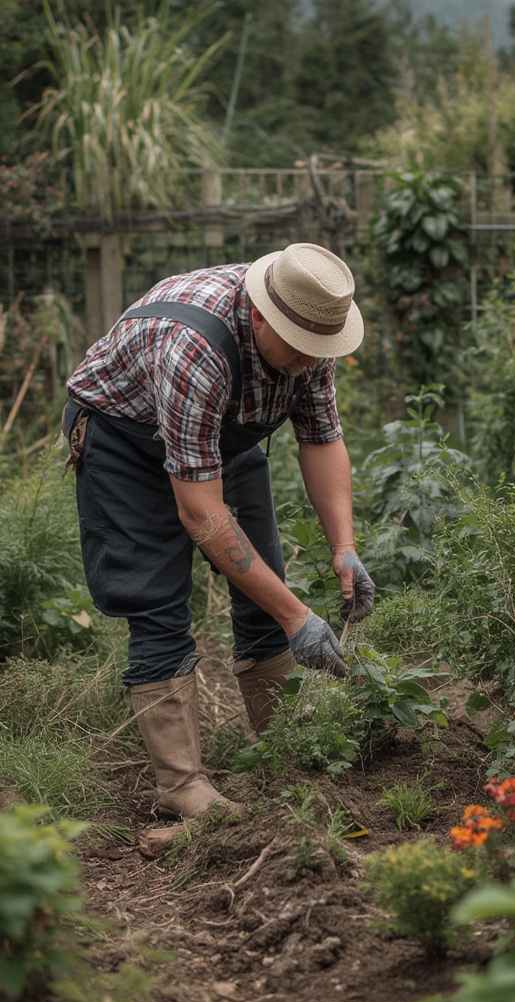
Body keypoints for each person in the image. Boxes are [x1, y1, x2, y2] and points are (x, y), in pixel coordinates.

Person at [62, 243, 375, 820]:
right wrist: (298, 617)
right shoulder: (195, 350)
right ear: (261, 316)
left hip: (219, 438)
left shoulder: (311, 328)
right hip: (127, 441)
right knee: (157, 605)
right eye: (301, 350)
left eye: (319, 352)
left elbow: (322, 437)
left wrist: (344, 547)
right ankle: (182, 787)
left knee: (265, 586)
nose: (311, 362)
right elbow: (202, 515)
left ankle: (280, 749)